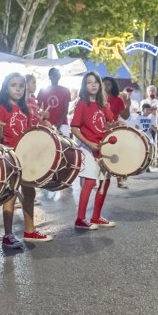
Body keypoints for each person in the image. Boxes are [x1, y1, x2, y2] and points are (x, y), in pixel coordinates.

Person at [0, 72, 52, 247]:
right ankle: (8, 235)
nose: (18, 89)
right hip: (10, 157)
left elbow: (29, 134)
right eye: (13, 85)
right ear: (6, 88)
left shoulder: (26, 109)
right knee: (10, 195)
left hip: (25, 157)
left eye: (21, 85)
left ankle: (29, 230)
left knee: (30, 193)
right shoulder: (1, 109)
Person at [70, 71, 114, 229]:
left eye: (95, 81)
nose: (93, 84)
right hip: (87, 148)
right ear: (84, 85)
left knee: (105, 181)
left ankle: (96, 216)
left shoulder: (102, 105)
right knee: (89, 181)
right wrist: (88, 143)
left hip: (102, 149)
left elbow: (111, 123)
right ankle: (80, 219)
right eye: (89, 82)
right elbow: (74, 128)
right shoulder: (82, 104)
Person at [103, 76, 131, 188]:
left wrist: (128, 105)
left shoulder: (118, 99)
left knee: (117, 153)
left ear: (113, 86)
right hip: (99, 129)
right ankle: (98, 180)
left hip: (113, 130)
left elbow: (125, 116)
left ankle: (119, 180)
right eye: (104, 84)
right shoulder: (97, 99)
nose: (106, 86)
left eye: (109, 84)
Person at [38, 67, 72, 133]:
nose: (55, 76)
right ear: (49, 77)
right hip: (46, 124)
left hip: (62, 125)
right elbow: (37, 108)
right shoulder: (43, 91)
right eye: (53, 75)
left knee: (64, 143)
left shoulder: (65, 90)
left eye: (57, 74)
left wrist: (58, 125)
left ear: (59, 76)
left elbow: (66, 110)